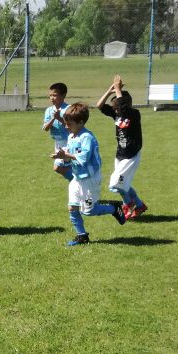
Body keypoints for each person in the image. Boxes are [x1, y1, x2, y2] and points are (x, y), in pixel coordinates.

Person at [52, 102, 126, 246]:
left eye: (69, 124)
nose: (66, 126)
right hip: (77, 178)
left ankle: (113, 208)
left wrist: (66, 155)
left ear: (80, 122)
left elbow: (84, 158)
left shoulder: (87, 137)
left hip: (90, 179)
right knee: (72, 207)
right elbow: (70, 155)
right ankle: (82, 236)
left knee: (88, 211)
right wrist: (62, 156)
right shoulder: (72, 136)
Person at [96, 75, 147, 219]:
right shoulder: (116, 114)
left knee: (115, 183)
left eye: (117, 107)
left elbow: (123, 108)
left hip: (131, 156)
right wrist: (110, 90)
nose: (115, 110)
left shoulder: (134, 114)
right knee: (123, 183)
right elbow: (99, 105)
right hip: (120, 154)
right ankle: (139, 205)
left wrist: (118, 90)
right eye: (114, 108)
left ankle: (128, 205)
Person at [42, 82, 72, 181]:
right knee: (60, 168)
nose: (52, 98)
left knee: (58, 167)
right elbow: (45, 128)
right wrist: (53, 118)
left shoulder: (69, 109)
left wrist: (59, 118)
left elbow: (72, 127)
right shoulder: (49, 110)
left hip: (69, 142)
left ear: (63, 95)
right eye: (50, 95)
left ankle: (77, 182)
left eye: (54, 95)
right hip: (58, 143)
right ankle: (76, 181)